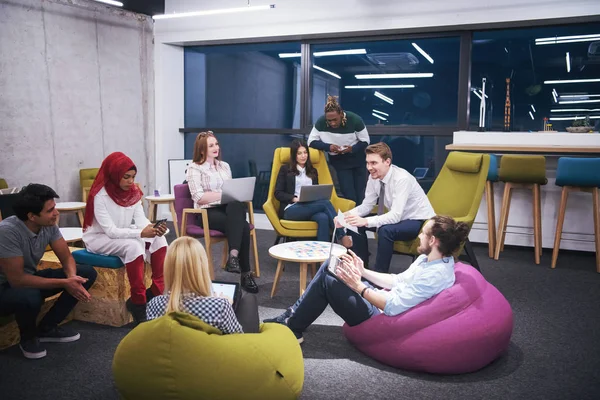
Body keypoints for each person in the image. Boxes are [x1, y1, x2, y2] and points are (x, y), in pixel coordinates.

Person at [264, 215, 470, 344]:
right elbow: (397, 281)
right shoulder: (427, 260)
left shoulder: (435, 276)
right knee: (334, 264)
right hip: (382, 300)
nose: (419, 237)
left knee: (329, 278)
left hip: (380, 316)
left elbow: (393, 307)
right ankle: (292, 315)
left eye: (423, 234)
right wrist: (363, 272)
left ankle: (293, 325)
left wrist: (358, 286)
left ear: (433, 241)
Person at [0, 184, 97, 359]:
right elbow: (17, 280)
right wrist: (64, 283)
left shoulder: (48, 224)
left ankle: (47, 328)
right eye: (50, 210)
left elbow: (66, 257)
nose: (56, 213)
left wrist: (72, 278)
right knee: (30, 296)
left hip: (27, 279)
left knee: (86, 274)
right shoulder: (7, 232)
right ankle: (28, 339)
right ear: (32, 216)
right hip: (6, 288)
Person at [82, 152, 167, 325]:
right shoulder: (99, 196)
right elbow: (111, 231)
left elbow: (141, 220)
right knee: (133, 246)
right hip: (99, 238)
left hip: (125, 233)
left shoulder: (133, 191)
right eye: (126, 177)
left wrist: (154, 228)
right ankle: (138, 303)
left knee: (160, 240)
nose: (130, 181)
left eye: (133, 177)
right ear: (114, 175)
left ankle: (157, 293)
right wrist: (141, 233)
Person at [341, 142, 435, 273]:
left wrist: (367, 221)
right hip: (398, 217)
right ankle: (361, 269)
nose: (369, 167)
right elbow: (367, 205)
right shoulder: (373, 177)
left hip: (417, 220)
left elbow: (395, 215)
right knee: (355, 223)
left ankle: (380, 274)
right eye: (367, 163)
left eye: (373, 163)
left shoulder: (402, 179)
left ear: (387, 162)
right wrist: (346, 215)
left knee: (386, 230)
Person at [186, 131, 258, 294]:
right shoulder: (194, 168)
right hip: (207, 213)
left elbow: (231, 191)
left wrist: (229, 194)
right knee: (244, 227)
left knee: (236, 205)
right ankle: (245, 274)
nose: (215, 147)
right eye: (211, 145)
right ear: (202, 150)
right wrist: (222, 194)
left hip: (228, 208)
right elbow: (199, 196)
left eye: (216, 144)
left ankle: (233, 257)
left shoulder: (225, 166)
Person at [146, 236, 259, 334]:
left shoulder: (154, 304)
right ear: (201, 268)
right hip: (211, 357)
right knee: (248, 300)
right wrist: (226, 304)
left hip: (173, 356)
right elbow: (238, 339)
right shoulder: (220, 307)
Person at [275, 139, 352, 247]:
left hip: (309, 207)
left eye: (305, 152)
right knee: (325, 203)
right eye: (299, 153)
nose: (303, 156)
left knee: (323, 218)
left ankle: (322, 257)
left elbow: (315, 192)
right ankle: (342, 235)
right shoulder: (285, 169)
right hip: (291, 209)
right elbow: (278, 193)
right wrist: (295, 198)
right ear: (294, 155)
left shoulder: (312, 171)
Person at [308, 95, 370, 205]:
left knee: (360, 191)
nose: (332, 123)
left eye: (335, 120)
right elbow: (311, 142)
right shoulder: (321, 122)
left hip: (357, 159)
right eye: (329, 120)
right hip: (339, 161)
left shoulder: (355, 120)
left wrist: (352, 149)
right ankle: (352, 216)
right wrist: (329, 147)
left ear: (341, 114)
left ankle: (361, 217)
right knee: (348, 192)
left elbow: (365, 141)